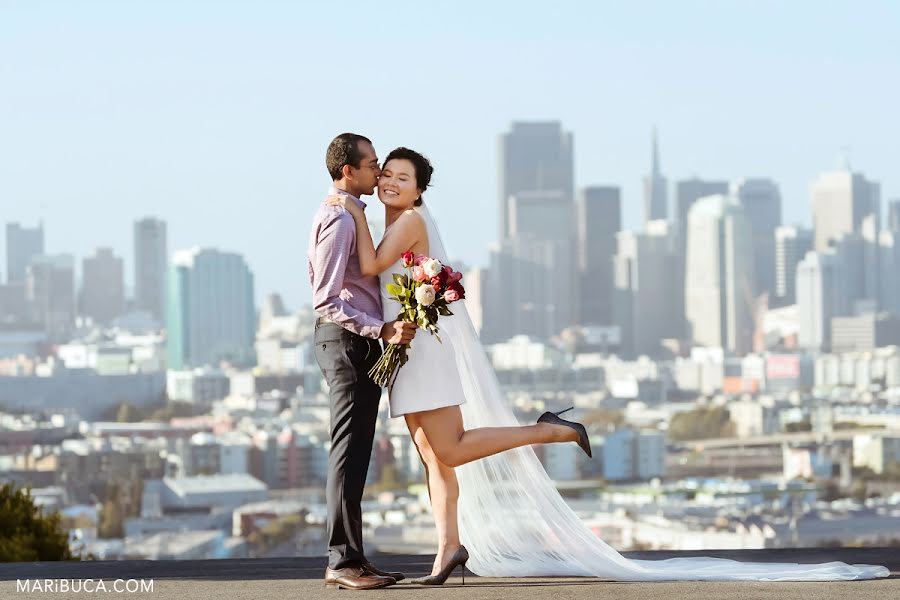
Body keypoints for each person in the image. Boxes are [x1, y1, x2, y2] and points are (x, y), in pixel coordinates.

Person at [324, 145, 891, 586]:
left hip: (422, 344)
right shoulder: (399, 219)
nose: (391, 181)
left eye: (402, 176)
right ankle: (450, 546)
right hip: (412, 342)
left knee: (446, 449)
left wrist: (350, 205)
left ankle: (550, 429)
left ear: (419, 189)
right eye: (387, 173)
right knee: (433, 458)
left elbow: (370, 263)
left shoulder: (403, 221)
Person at [308, 133, 418, 590]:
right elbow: (326, 298)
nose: (378, 171)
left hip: (357, 344)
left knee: (357, 456)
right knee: (347, 453)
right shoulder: (340, 219)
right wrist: (381, 329)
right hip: (349, 342)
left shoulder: (352, 215)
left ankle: (354, 558)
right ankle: (342, 561)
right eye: (372, 164)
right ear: (347, 170)